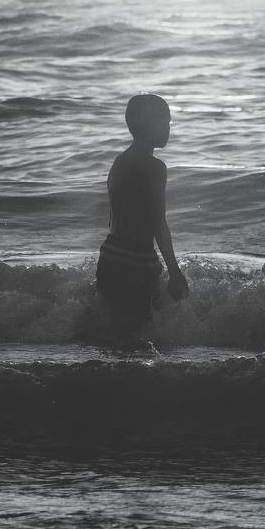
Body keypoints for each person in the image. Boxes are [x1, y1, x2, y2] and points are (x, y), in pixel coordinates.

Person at [96, 93, 189, 343]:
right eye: (166, 123)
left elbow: (115, 217)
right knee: (141, 336)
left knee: (117, 333)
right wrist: (174, 271)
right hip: (136, 260)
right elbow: (158, 222)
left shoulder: (119, 162)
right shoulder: (155, 167)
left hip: (110, 255)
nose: (169, 129)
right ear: (150, 125)